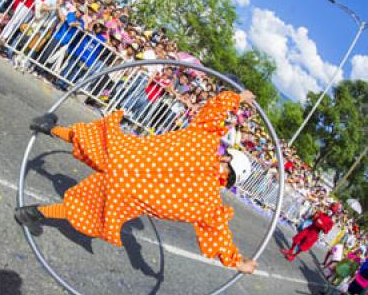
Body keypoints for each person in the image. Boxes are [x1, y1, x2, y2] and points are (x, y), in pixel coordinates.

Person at [15, 89, 258, 273]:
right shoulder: (208, 204)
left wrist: (238, 98)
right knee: (85, 210)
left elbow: (214, 110)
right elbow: (219, 235)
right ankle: (32, 213)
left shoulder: (203, 141)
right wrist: (238, 263)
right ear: (229, 181)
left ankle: (49, 128)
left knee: (92, 142)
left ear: (227, 157)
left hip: (126, 157)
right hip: (124, 193)